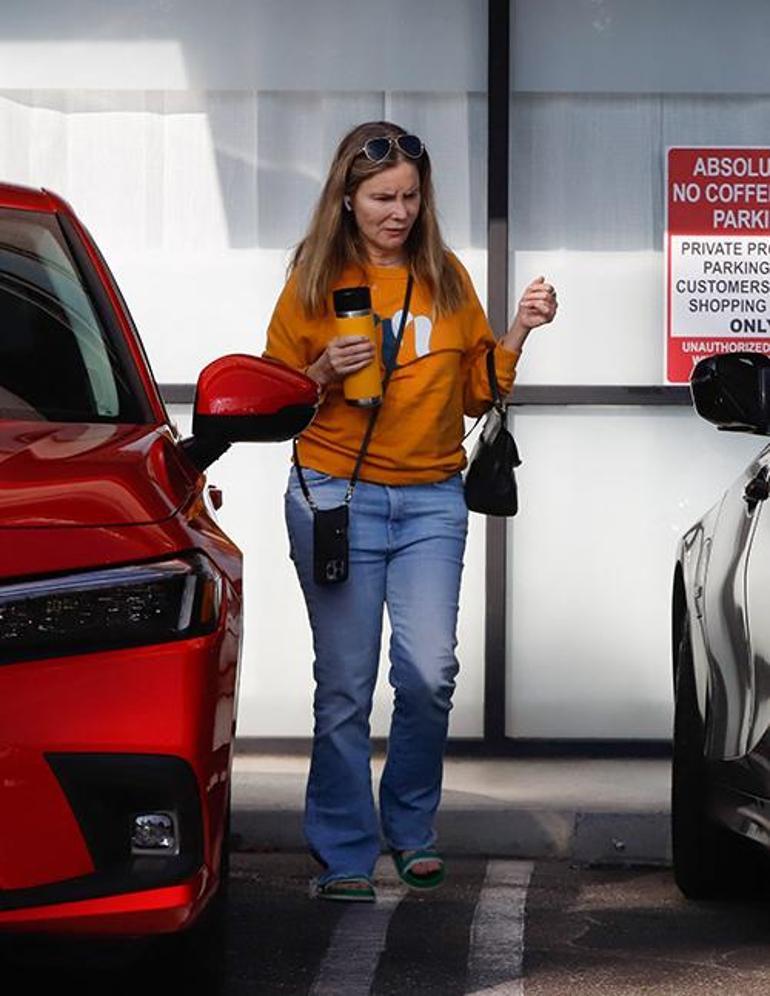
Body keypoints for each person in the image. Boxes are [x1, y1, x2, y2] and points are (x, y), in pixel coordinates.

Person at [264, 121, 557, 902]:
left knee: (429, 674)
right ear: (348, 199)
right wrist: (323, 368)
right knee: (346, 684)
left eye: (411, 197)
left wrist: (519, 331)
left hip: (432, 497)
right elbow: (274, 395)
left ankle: (412, 830)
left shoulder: (448, 277)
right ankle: (345, 850)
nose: (399, 212)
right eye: (382, 197)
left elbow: (474, 391)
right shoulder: (311, 280)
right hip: (336, 494)